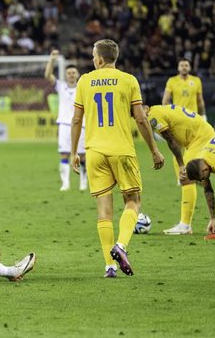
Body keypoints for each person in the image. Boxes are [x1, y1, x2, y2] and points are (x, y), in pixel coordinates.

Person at [70, 39, 164, 278]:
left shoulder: (84, 81)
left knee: (104, 211)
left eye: (93, 56)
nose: (93, 60)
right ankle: (121, 246)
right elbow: (141, 119)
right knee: (133, 201)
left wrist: (73, 152)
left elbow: (76, 120)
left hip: (94, 152)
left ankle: (109, 267)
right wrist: (154, 150)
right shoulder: (129, 80)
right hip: (122, 149)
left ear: (100, 59)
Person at [142, 104, 215, 235]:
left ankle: (185, 225)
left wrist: (182, 165)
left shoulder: (153, 116)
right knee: (179, 166)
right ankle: (186, 222)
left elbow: (171, 141)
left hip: (200, 137)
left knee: (186, 176)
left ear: (145, 107)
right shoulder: (157, 110)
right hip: (193, 139)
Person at [161, 58, 206, 234]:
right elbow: (166, 99)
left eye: (186, 65)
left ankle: (185, 224)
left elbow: (200, 100)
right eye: (181, 65)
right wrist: (169, 115)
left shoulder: (197, 81)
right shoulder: (172, 81)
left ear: (189, 67)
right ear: (178, 67)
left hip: (193, 127)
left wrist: (203, 116)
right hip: (180, 126)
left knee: (187, 176)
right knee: (182, 165)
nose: (184, 67)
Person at [44, 50, 87, 191]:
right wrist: (52, 60)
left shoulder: (83, 87)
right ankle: (65, 183)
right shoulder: (61, 86)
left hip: (81, 124)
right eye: (69, 73)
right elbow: (47, 75)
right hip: (64, 124)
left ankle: (83, 181)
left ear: (78, 75)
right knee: (64, 153)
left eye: (74, 72)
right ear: (66, 75)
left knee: (82, 155)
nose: (71, 75)